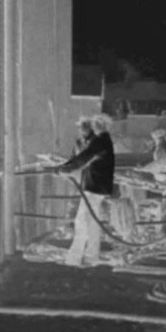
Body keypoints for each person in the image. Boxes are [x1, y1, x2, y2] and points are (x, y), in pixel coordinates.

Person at [52, 114, 116, 267]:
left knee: (81, 221)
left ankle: (74, 258)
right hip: (98, 186)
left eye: (98, 123)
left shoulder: (100, 140)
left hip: (94, 187)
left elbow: (84, 157)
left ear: (105, 126)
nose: (95, 125)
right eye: (95, 123)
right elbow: (82, 158)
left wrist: (64, 168)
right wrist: (68, 168)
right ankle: (91, 257)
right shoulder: (103, 140)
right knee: (92, 222)